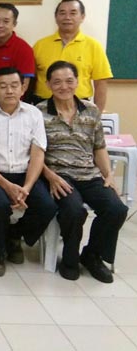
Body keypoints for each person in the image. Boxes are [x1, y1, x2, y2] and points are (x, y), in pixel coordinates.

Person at [38, 60, 127, 283]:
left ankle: (92, 255)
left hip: (89, 174)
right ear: (48, 84)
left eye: (69, 81)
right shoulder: (39, 112)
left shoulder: (91, 110)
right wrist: (49, 175)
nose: (64, 87)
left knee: (116, 209)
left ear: (78, 82)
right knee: (74, 210)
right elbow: (34, 153)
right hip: (59, 175)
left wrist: (108, 175)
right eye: (57, 82)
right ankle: (69, 259)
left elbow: (99, 147)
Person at [0, 67, 57, 276]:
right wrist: (6, 185)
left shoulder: (34, 114)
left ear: (23, 88)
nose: (9, 91)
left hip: (24, 174)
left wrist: (27, 187)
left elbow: (38, 153)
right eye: (3, 86)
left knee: (46, 206)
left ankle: (14, 236)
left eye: (14, 86)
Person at [33, 0, 113, 112]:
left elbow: (101, 83)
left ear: (82, 17)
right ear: (56, 17)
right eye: (62, 13)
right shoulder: (40, 45)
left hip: (80, 107)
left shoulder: (93, 46)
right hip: (42, 107)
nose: (67, 17)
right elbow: (31, 79)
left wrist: (98, 113)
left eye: (73, 13)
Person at [0, 3, 35, 104]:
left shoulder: (23, 49)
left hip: (10, 105)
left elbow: (24, 85)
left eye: (6, 21)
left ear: (14, 24)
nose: (0, 25)